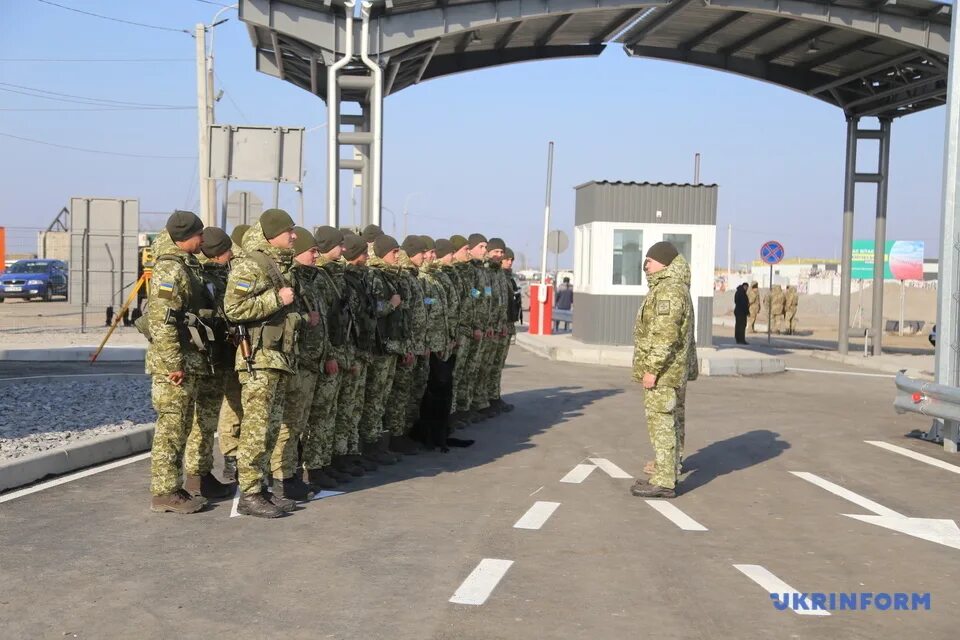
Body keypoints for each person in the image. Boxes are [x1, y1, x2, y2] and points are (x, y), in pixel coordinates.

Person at [224, 209, 301, 518]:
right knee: (256, 429)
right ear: (272, 235)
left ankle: (263, 488)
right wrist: (277, 301)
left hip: (278, 358)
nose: (294, 236)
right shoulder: (251, 266)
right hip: (258, 359)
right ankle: (250, 493)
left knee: (269, 428)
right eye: (289, 231)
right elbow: (233, 309)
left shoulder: (280, 266)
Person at [145, 210, 211, 514]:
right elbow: (162, 321)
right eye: (199, 234)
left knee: (181, 427)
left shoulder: (184, 265)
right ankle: (164, 492)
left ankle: (173, 488)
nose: (202, 240)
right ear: (186, 237)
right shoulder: (170, 270)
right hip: (172, 366)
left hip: (185, 362)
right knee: (170, 429)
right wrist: (173, 364)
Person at [630, 241, 698, 499]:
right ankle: (668, 466)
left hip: (665, 372)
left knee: (662, 422)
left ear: (664, 262)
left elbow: (665, 336)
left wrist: (652, 370)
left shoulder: (669, 290)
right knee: (672, 419)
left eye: (650, 260)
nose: (645, 264)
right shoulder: (671, 287)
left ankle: (664, 480)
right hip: (673, 371)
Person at [269, 227, 324, 501]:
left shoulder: (308, 279)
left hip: (307, 361)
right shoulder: (288, 279)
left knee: (296, 423)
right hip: (293, 361)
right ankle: (280, 479)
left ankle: (289, 475)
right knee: (286, 425)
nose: (316, 255)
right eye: (312, 250)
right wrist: (304, 319)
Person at [182, 227, 236, 501]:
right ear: (218, 253)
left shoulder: (213, 274)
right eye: (228, 250)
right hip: (204, 358)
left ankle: (201, 476)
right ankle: (196, 478)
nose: (232, 255)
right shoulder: (206, 277)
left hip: (215, 357)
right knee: (201, 421)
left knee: (206, 421)